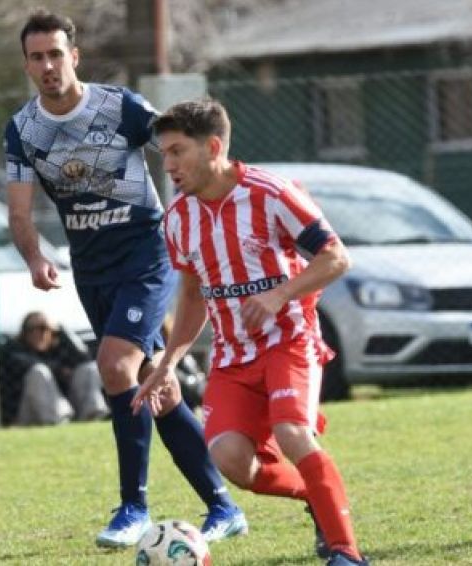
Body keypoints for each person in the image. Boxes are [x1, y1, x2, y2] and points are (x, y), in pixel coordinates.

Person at [4, 10, 245, 548]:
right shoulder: (23, 129)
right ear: (27, 64)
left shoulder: (122, 107)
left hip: (146, 253)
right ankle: (222, 506)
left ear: (75, 56)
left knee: (115, 365)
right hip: (91, 269)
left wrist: (208, 210)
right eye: (36, 57)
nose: (47, 65)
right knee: (155, 389)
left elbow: (181, 153)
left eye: (55, 54)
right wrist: (34, 257)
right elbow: (20, 214)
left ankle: (133, 506)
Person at [134, 99, 368, 566]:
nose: (170, 164)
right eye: (164, 154)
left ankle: (345, 554)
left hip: (290, 340)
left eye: (178, 151)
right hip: (231, 357)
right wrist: (167, 364)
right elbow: (194, 297)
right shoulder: (179, 218)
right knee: (230, 460)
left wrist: (280, 295)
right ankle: (317, 498)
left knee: (292, 432)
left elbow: (336, 257)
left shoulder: (271, 193)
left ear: (214, 147)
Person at [0, 311, 109, 426]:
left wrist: (62, 331)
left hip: (68, 407)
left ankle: (92, 417)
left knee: (88, 369)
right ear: (24, 332)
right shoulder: (15, 349)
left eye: (43, 328)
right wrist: (57, 369)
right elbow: (25, 363)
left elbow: (85, 357)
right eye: (31, 329)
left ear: (52, 331)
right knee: (39, 372)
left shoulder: (60, 350)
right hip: (26, 414)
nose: (37, 333)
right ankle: (58, 422)